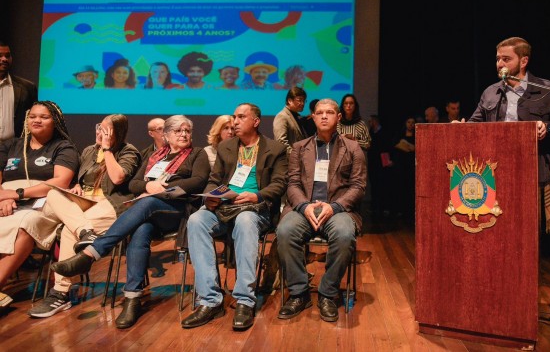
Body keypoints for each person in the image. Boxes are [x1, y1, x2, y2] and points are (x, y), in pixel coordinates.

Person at [51, 115, 210, 329]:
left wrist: (160, 190)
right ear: (167, 136)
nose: (184, 135)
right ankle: (132, 297)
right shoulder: (156, 156)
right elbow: (134, 184)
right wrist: (147, 187)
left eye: (187, 131)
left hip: (179, 210)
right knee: (141, 229)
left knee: (146, 204)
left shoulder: (197, 154)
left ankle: (93, 252)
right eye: (178, 131)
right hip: (151, 213)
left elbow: (197, 181)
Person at [181, 103, 287, 331]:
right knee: (196, 220)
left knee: (245, 220)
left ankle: (245, 301)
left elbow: (279, 184)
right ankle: (210, 301)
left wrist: (255, 195)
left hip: (256, 208)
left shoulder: (275, 149)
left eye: (241, 117)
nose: (235, 121)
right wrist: (210, 196)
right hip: (225, 206)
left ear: (256, 122)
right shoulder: (227, 147)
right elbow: (215, 178)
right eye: (234, 117)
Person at [27, 114, 141, 317]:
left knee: (70, 231)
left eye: (107, 130)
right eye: (99, 127)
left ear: (118, 133)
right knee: (53, 192)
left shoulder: (128, 151)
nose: (100, 133)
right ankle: (86, 232)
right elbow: (79, 178)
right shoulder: (89, 150)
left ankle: (60, 293)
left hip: (110, 203)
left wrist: (107, 149)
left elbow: (117, 177)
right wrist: (77, 186)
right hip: (84, 203)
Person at [467, 36, 550, 244]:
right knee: (497, 226)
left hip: (532, 169)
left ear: (523, 61)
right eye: (498, 59)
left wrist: (548, 127)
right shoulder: (490, 92)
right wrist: (461, 128)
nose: (500, 64)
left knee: (526, 229)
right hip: (494, 169)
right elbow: (474, 124)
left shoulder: (547, 90)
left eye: (506, 59)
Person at [276, 98, 366, 323]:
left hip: (338, 209)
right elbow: (293, 183)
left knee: (345, 235)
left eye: (329, 112)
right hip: (304, 207)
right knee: (285, 232)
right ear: (313, 117)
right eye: (319, 112)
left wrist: (334, 206)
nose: (324, 116)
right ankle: (299, 293)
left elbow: (358, 186)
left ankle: (327, 293)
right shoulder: (299, 148)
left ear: (338, 117)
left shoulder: (353, 147)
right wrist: (304, 206)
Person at [0, 101, 79, 310]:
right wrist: (3, 196)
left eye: (44, 117)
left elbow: (60, 182)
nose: (36, 120)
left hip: (45, 203)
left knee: (26, 223)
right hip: (5, 200)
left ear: (55, 121)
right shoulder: (10, 145)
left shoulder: (64, 147)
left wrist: (17, 195)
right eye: (32, 116)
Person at [0, 40, 38, 142]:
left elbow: (33, 120)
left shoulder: (27, 87)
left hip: (14, 148)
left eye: (7, 56)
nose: (4, 59)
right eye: (0, 55)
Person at [367, 114, 393, 218]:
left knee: (383, 184)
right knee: (374, 184)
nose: (369, 123)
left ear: (375, 121)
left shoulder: (384, 132)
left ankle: (384, 207)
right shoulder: (370, 132)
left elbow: (387, 148)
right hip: (373, 162)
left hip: (382, 162)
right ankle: (374, 207)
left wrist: (388, 161)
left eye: (371, 121)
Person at [272, 87, 308, 155]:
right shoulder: (282, 116)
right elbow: (280, 142)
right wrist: (295, 156)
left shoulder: (297, 116)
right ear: (289, 101)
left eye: (304, 100)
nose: (302, 103)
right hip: (288, 162)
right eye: (299, 100)